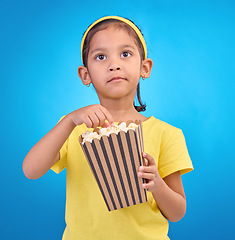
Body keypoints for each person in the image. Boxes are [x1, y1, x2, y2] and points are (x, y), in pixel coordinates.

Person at [23, 16, 193, 240]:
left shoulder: (167, 134)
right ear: (86, 75)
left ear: (145, 68)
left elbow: (177, 213)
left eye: (125, 54)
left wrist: (157, 186)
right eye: (101, 56)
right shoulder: (73, 127)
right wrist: (68, 121)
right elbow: (31, 170)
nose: (114, 64)